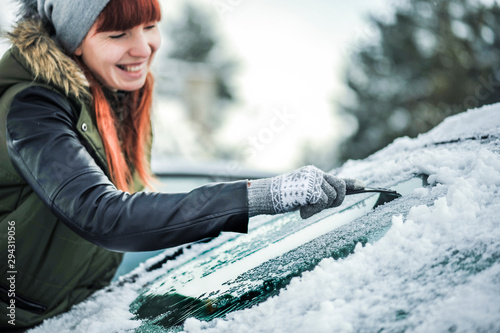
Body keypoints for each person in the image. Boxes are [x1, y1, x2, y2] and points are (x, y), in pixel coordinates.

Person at [0, 0, 359, 329]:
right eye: (118, 33)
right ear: (75, 41)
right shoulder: (33, 109)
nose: (143, 48)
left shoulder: (118, 99)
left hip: (66, 314)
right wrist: (263, 195)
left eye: (150, 25)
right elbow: (102, 215)